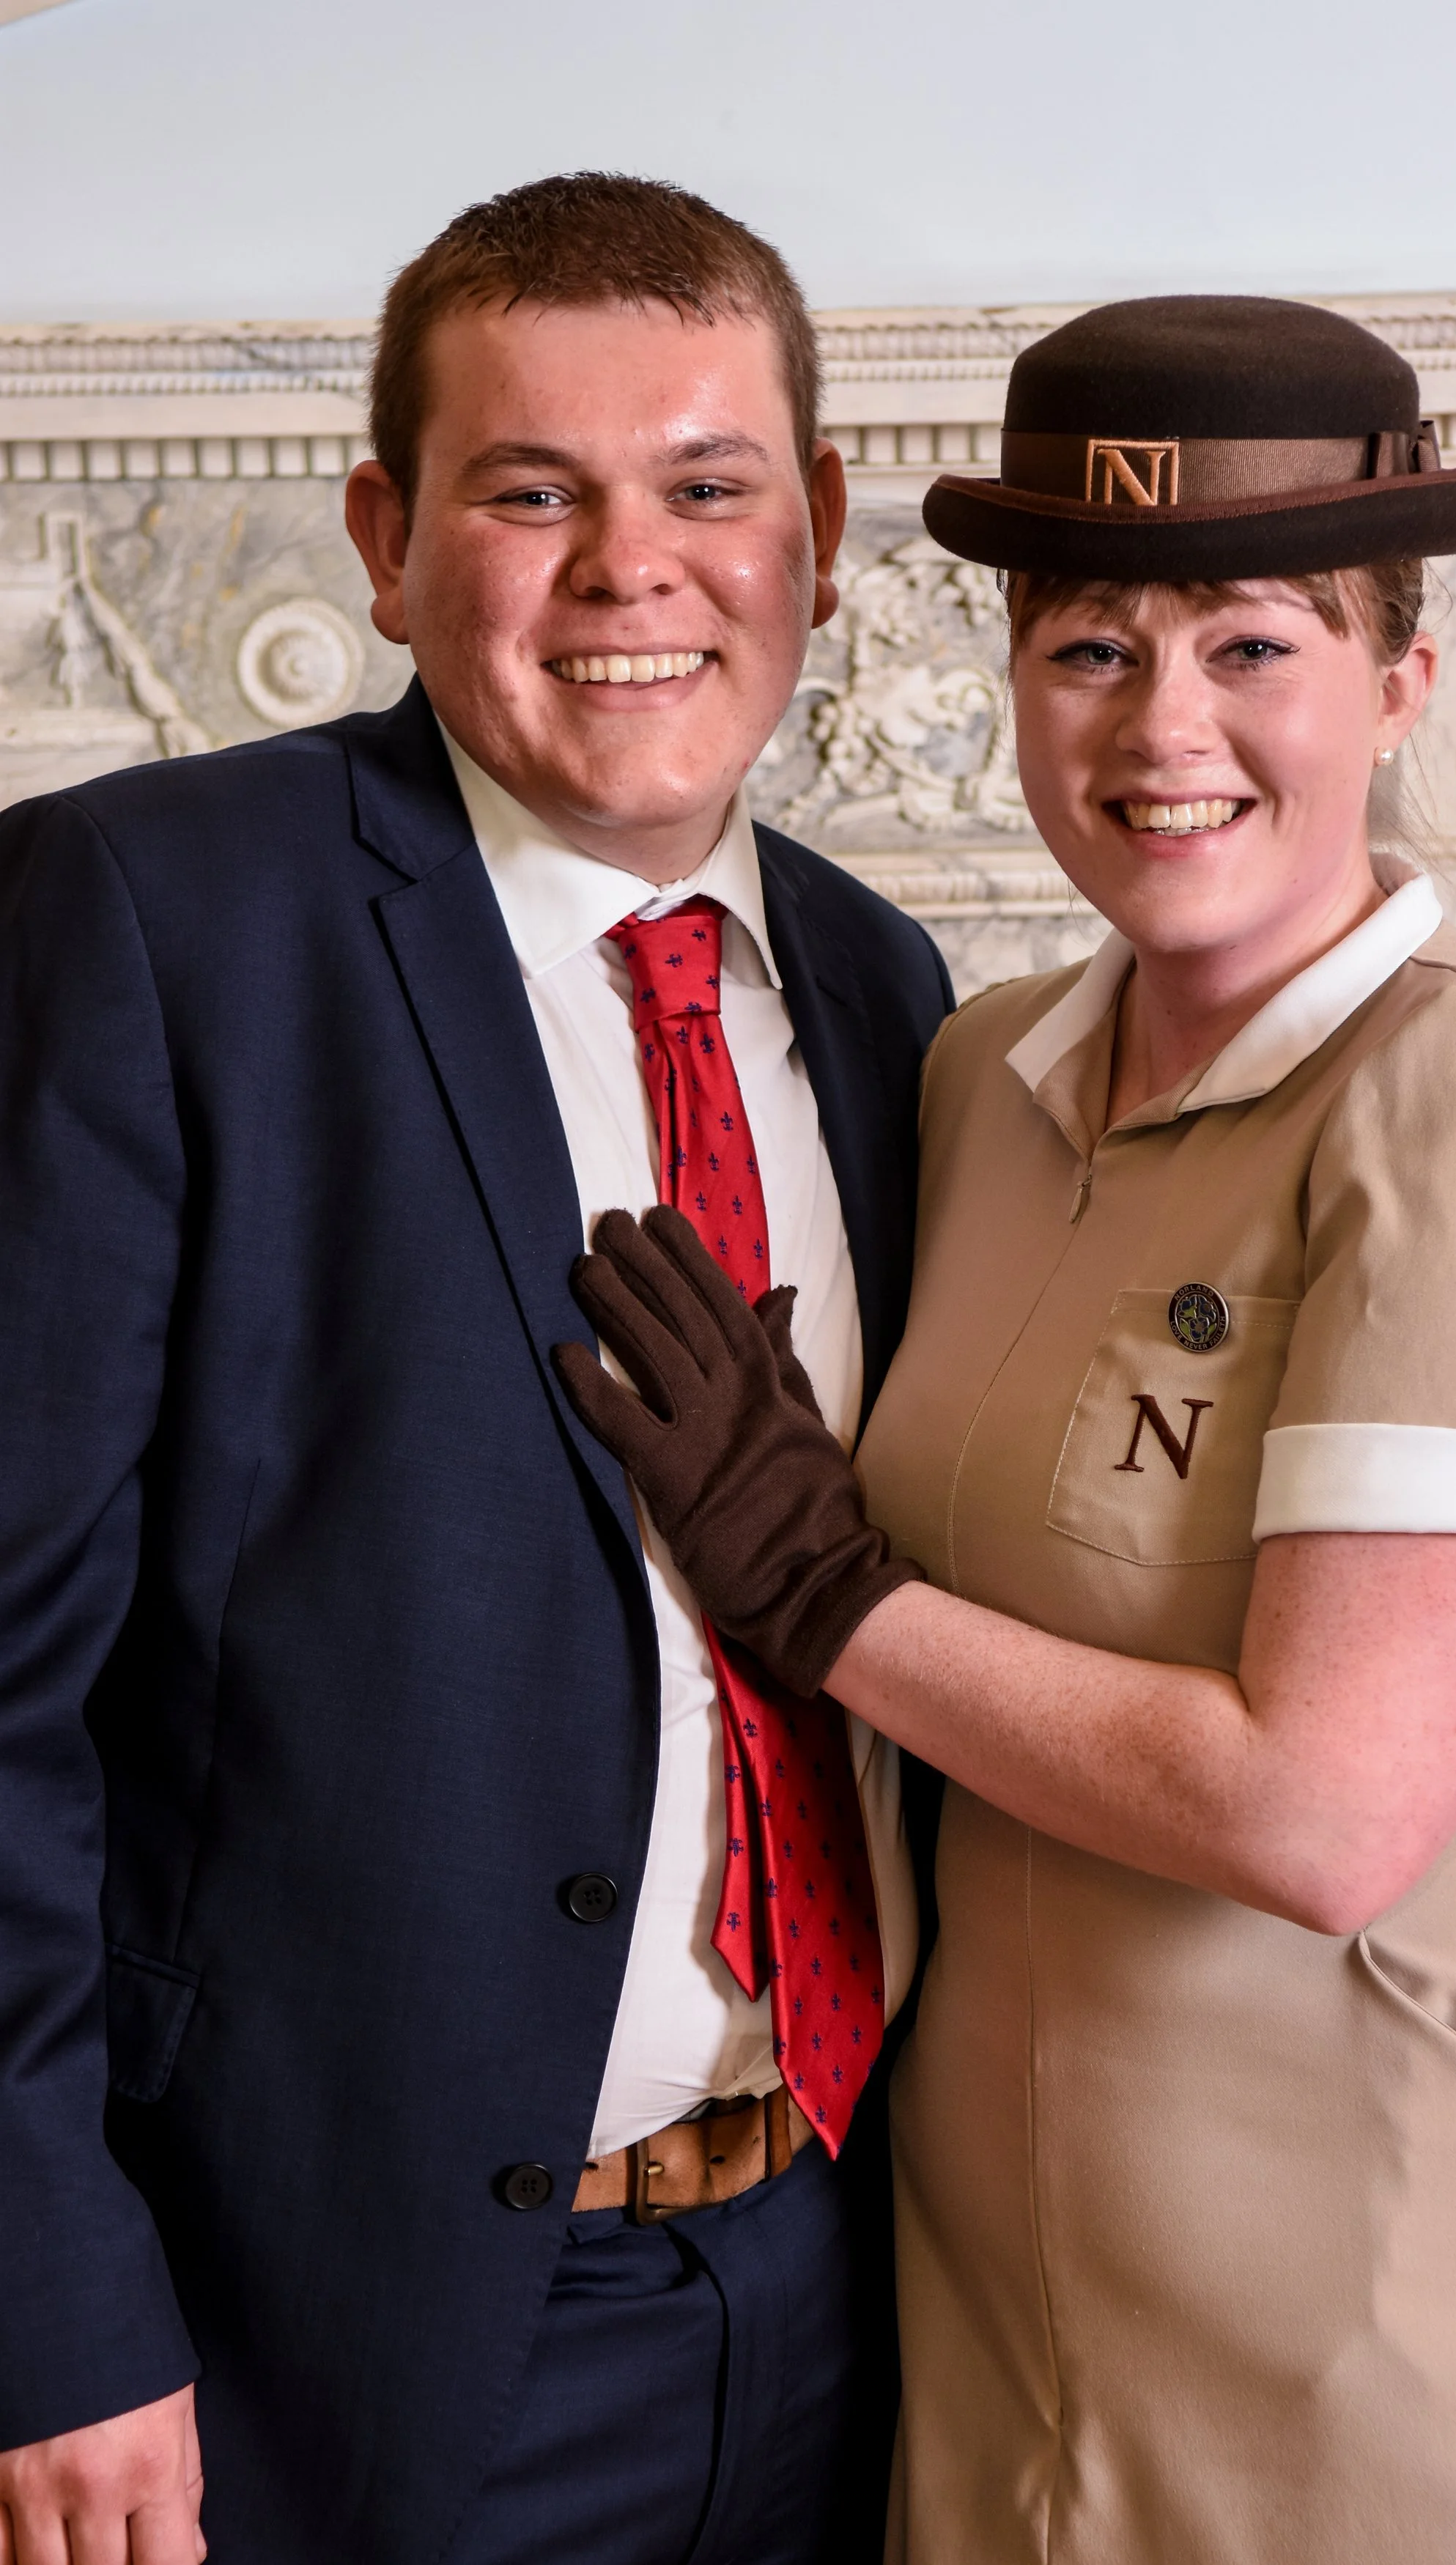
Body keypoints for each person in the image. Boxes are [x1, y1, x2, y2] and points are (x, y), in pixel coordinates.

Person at [556, 295, 1456, 2563]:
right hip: (1029, 2348)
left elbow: (1322, 1808)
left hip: (1449, 2344)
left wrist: (827, 1590)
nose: (1165, 731)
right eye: (1088, 651)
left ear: (1396, 684)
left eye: (1252, 646)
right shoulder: (979, 1071)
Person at [0, 174, 950, 2565]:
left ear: (818, 530)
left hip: (837, 2271)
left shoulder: (885, 987)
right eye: (534, 491)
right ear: (387, 532)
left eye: (709, 486)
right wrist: (47, 2305)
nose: (632, 567)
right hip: (330, 2328)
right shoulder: (148, 922)